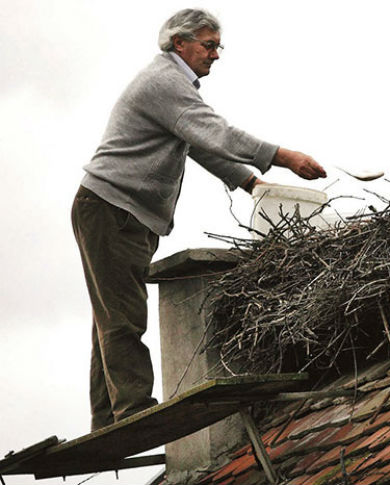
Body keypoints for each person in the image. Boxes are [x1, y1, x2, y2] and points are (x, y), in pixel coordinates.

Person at [71, 8, 326, 431]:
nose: (216, 55)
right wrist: (284, 157)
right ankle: (132, 412)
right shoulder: (164, 83)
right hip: (109, 208)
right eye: (209, 46)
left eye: (217, 46)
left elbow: (202, 146)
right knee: (123, 315)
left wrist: (252, 184)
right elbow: (218, 134)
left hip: (125, 214)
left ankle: (108, 417)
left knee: (113, 313)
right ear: (180, 43)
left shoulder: (174, 87)